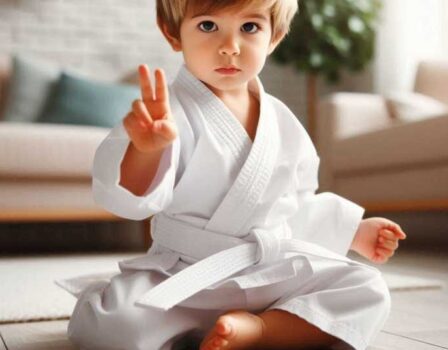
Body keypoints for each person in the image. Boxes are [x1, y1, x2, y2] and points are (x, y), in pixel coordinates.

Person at [58, 0, 407, 349]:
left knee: (367, 289)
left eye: (250, 28)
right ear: (172, 32)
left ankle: (259, 331)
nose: (230, 47)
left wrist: (351, 231)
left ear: (275, 36)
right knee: (116, 326)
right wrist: (146, 150)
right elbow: (129, 200)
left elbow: (291, 206)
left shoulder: (282, 121)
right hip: (186, 276)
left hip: (267, 272)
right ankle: (247, 325)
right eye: (208, 26)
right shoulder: (167, 113)